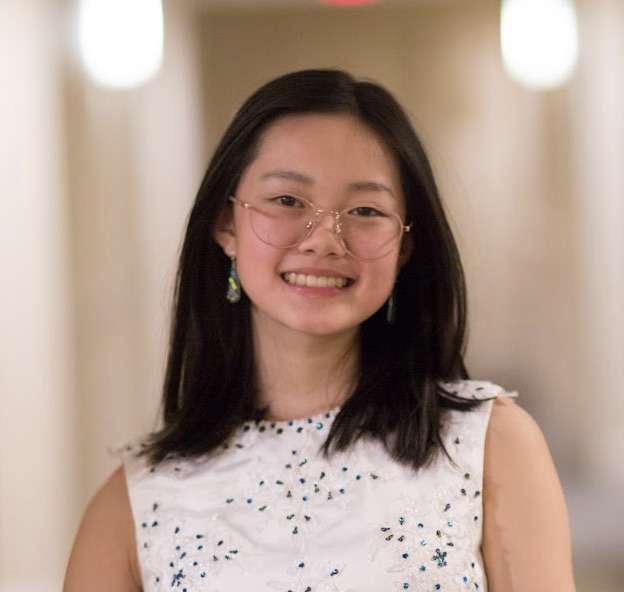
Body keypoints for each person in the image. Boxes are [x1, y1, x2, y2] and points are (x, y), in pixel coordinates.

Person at [64, 69, 575, 591]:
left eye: (365, 210)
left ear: (404, 247)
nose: (325, 240)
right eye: (287, 201)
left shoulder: (489, 447)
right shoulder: (133, 505)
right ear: (225, 225)